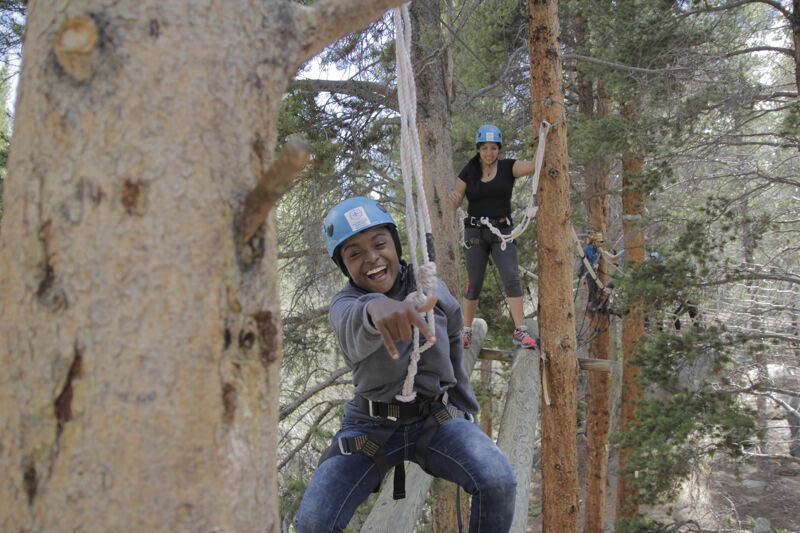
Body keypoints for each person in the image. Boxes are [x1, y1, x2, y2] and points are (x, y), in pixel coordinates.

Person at [295, 197, 516, 533]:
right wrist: (379, 310)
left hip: (435, 418)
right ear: (344, 266)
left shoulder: (429, 287)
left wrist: (462, 403)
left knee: (497, 480)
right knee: (314, 523)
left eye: (379, 243)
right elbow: (358, 317)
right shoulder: (346, 304)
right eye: (354, 253)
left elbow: (454, 329)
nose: (371, 257)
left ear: (395, 245)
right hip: (370, 426)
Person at [449, 124, 538, 349]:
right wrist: (456, 199)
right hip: (475, 232)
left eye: (493, 148)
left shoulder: (509, 167)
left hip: (502, 231)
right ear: (479, 149)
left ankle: (521, 330)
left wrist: (542, 139)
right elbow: (458, 194)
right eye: (485, 148)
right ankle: (466, 330)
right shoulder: (469, 171)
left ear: (499, 149)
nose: (489, 153)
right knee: (474, 283)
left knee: (511, 277)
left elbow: (534, 166)